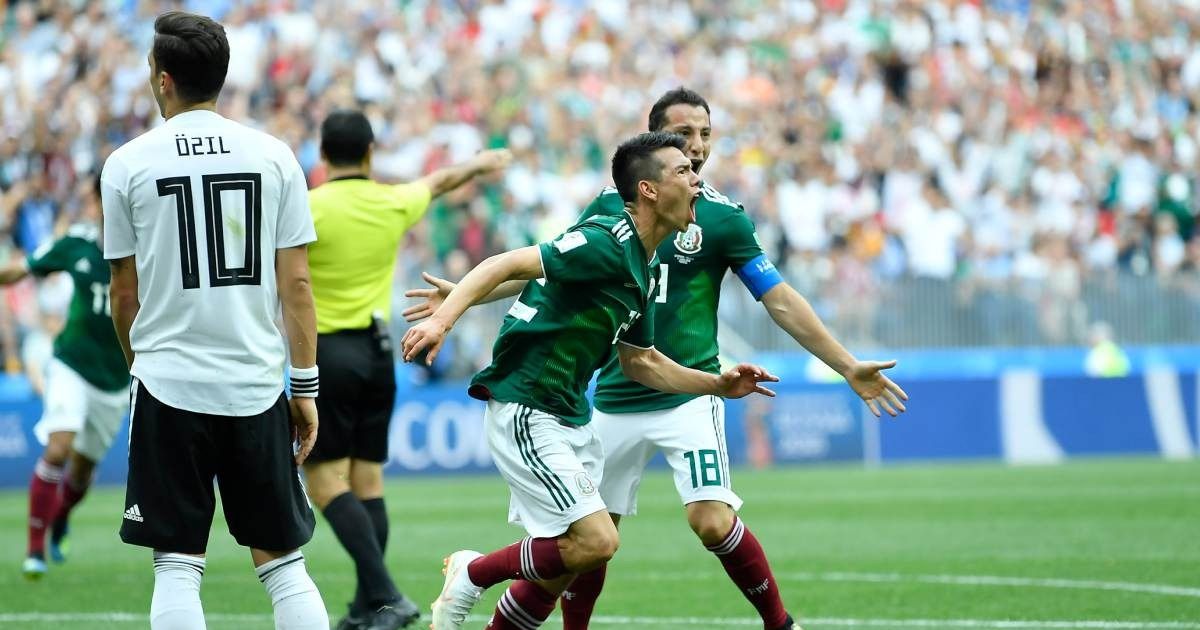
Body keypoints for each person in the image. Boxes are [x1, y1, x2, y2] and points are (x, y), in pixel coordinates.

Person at [405, 88, 909, 630]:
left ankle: (780, 624)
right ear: (652, 154)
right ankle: (476, 575)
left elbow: (756, 308)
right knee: (584, 545)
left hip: (670, 392)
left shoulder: (718, 221)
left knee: (652, 531)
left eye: (705, 136)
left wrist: (761, 377)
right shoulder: (612, 218)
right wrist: (457, 305)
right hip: (584, 400)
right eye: (682, 137)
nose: (697, 150)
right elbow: (539, 268)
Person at [401, 131, 780, 630]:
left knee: (576, 554)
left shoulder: (644, 268)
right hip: (528, 403)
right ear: (648, 189)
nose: (696, 180)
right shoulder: (606, 240)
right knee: (597, 541)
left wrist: (717, 384)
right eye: (683, 171)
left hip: (570, 415)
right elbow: (506, 262)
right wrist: (443, 320)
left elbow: (642, 362)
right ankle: (472, 572)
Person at [101, 12, 327, 629]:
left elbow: (124, 294)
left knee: (177, 566)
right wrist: (304, 388)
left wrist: (142, 369)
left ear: (163, 79)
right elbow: (297, 285)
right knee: (284, 565)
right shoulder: (274, 156)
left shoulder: (127, 164)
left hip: (169, 384)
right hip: (254, 383)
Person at [304, 109, 512, 630]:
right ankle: (366, 607)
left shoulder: (309, 208)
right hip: (380, 352)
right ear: (370, 153)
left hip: (329, 352)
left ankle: (385, 594)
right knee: (367, 481)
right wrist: (481, 163)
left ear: (323, 156)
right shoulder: (392, 201)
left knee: (324, 482)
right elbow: (440, 182)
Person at [6, 176, 129, 580]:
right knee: (58, 448)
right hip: (71, 364)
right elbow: (21, 269)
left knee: (81, 473)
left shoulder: (149, 250)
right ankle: (34, 550)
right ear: (97, 202)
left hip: (115, 379)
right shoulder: (77, 243)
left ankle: (60, 517)